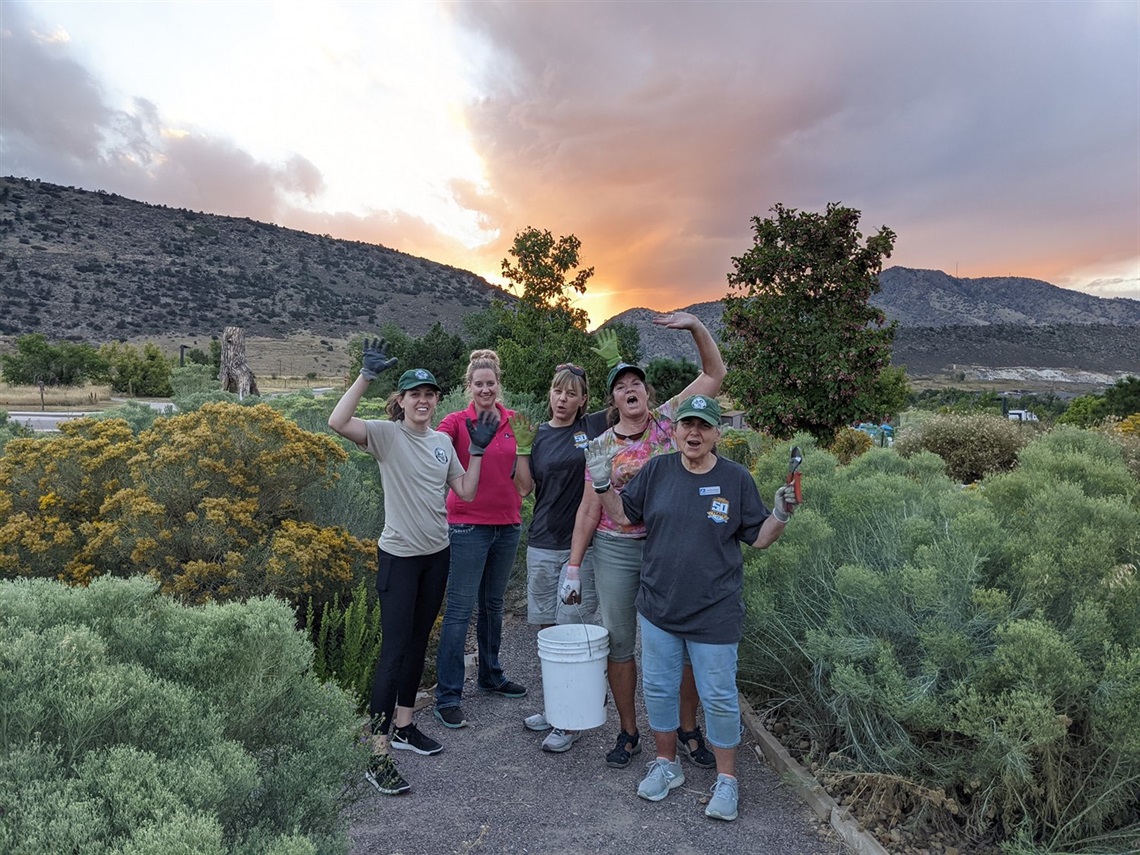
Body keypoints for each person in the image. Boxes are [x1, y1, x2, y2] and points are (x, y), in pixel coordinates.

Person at [587, 393, 797, 821]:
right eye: (687, 424)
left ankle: (727, 780)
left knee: (719, 698)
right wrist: (602, 482)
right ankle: (667, 765)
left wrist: (780, 513)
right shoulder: (658, 470)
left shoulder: (736, 479)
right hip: (659, 607)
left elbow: (758, 537)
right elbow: (625, 517)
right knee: (659, 690)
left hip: (714, 612)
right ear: (676, 430)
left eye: (704, 425)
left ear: (718, 433)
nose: (694, 433)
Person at [328, 339, 498, 796]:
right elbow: (337, 421)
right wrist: (365, 376)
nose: (423, 401)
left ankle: (405, 727)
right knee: (394, 652)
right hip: (400, 558)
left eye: (430, 394)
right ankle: (377, 752)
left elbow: (463, 491)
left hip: (436, 555)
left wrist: (478, 450)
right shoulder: (386, 435)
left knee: (420, 641)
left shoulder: (443, 441)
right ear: (400, 401)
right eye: (414, 394)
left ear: (437, 400)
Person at [565, 312, 727, 770]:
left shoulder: (670, 422)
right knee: (620, 642)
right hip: (616, 548)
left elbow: (715, 373)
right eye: (620, 385)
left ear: (647, 392)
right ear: (613, 399)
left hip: (670, 545)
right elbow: (588, 507)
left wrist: (696, 327)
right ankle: (629, 731)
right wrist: (574, 565)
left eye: (636, 382)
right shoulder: (599, 445)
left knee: (683, 636)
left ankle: (687, 728)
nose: (630, 388)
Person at [511, 362, 610, 752]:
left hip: (580, 547)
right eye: (557, 391)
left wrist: (616, 361)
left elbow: (630, 404)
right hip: (541, 543)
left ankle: (570, 721)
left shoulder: (593, 428)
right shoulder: (538, 435)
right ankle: (555, 707)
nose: (563, 399)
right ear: (549, 394)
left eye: (572, 393)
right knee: (546, 632)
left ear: (584, 399)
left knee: (573, 630)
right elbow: (525, 488)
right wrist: (521, 448)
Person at [433, 350, 529, 729]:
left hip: (507, 524)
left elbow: (525, 484)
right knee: (459, 610)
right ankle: (448, 695)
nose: (485, 389)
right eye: (478, 384)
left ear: (498, 384)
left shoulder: (516, 422)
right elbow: (432, 445)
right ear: (468, 387)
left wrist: (523, 447)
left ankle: (490, 674)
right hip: (466, 525)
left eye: (491, 383)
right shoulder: (456, 422)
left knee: (493, 604)